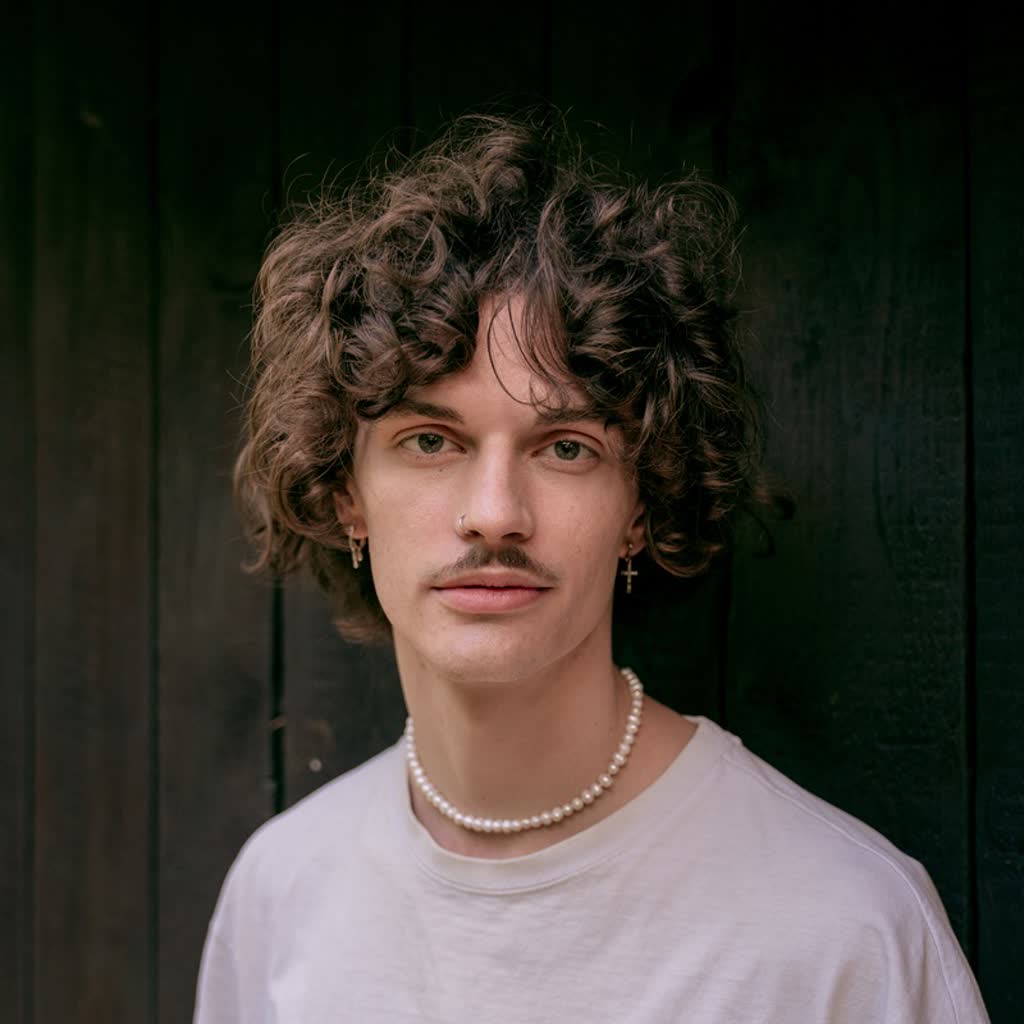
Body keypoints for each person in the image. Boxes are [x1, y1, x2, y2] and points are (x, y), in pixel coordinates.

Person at [194, 112, 989, 1022]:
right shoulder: (279, 895)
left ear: (641, 506)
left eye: (566, 447)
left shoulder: (846, 931)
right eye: (430, 440)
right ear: (346, 494)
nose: (495, 511)